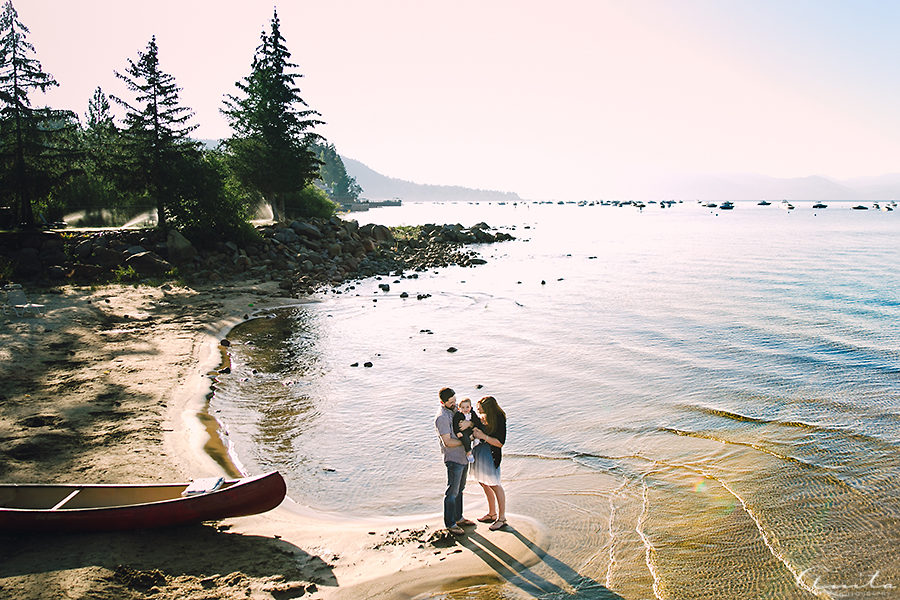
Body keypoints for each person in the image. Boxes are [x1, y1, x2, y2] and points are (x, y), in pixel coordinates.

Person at [434, 387, 476, 535]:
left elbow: (470, 421)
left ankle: (459, 518)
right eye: (451, 402)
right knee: (452, 492)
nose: (455, 404)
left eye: (454, 400)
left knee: (460, 490)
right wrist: (467, 441)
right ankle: (450, 523)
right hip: (453, 458)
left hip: (463, 457)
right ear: (442, 402)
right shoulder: (442, 418)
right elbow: (447, 442)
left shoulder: (456, 411)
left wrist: (470, 426)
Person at [472, 395, 508, 531]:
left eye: (481, 409)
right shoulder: (483, 416)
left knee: (494, 484)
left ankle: (502, 518)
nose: (479, 412)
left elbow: (499, 443)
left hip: (491, 455)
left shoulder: (499, 418)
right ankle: (492, 513)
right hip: (480, 453)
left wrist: (483, 436)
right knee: (483, 482)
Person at [452, 398, 482, 463]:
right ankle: (468, 452)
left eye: (467, 407)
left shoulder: (472, 413)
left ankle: (476, 440)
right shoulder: (458, 415)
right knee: (465, 439)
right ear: (459, 408)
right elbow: (455, 424)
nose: (465, 409)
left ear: (470, 407)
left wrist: (474, 426)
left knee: (477, 431)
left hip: (470, 429)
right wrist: (457, 432)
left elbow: (477, 421)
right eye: (463, 407)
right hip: (463, 431)